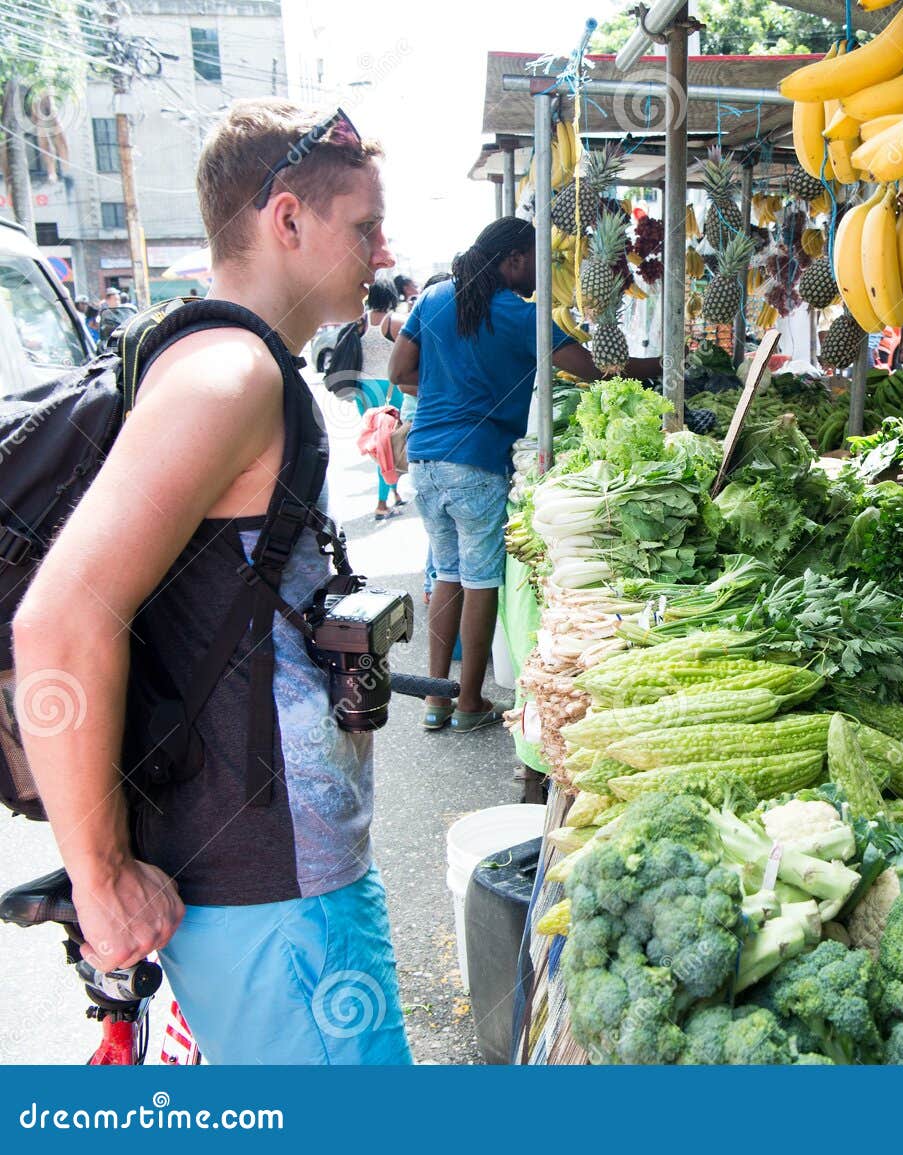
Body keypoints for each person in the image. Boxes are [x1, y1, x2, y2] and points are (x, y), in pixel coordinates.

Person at [13, 99, 411, 1065]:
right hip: (265, 891)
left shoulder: (214, 355)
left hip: (262, 878)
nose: (382, 249)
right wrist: (102, 882)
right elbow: (59, 624)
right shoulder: (229, 373)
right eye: (363, 225)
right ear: (287, 219)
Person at [389, 216, 660, 733]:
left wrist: (450, 393)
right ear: (513, 260)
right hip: (476, 464)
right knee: (481, 578)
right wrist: (665, 364)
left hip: (424, 460)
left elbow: (399, 374)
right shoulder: (520, 316)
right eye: (535, 260)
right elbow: (592, 368)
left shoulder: (434, 299)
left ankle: (436, 701)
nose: (542, 273)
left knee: (446, 574)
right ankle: (470, 702)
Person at [352, 277, 406, 519]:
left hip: (362, 390)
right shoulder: (392, 322)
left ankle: (393, 493)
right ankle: (381, 504)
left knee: (379, 444)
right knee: (388, 447)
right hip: (389, 390)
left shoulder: (359, 322)